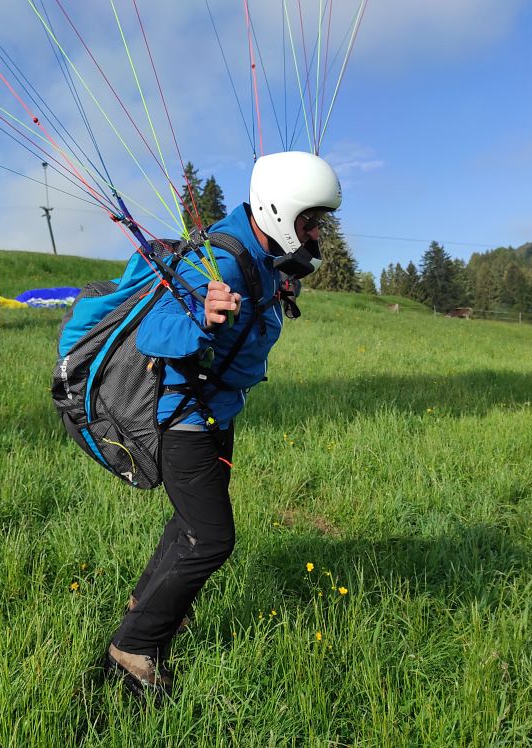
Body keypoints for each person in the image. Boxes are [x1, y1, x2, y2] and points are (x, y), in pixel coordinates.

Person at [103, 151, 343, 701]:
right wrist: (201, 318)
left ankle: (148, 604)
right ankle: (133, 647)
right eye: (309, 220)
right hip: (185, 417)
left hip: (218, 413)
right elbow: (154, 332)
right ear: (279, 211)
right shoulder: (220, 261)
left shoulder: (266, 255)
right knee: (210, 539)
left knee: (189, 525)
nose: (315, 233)